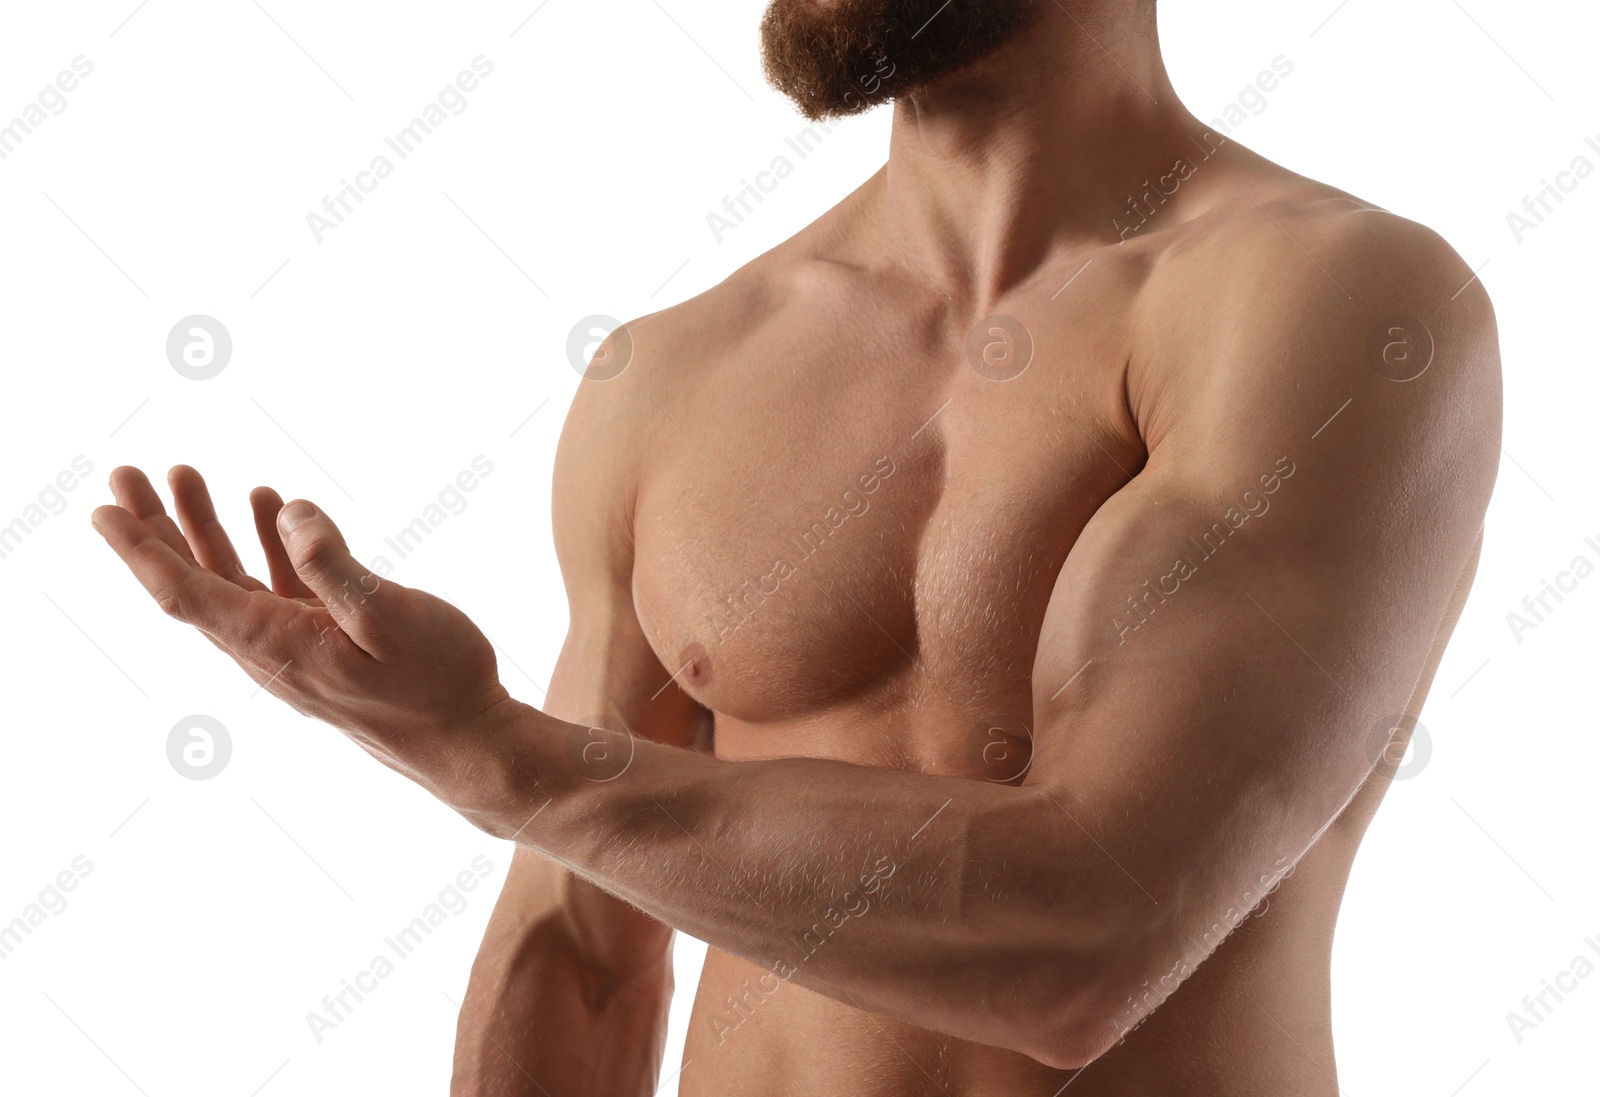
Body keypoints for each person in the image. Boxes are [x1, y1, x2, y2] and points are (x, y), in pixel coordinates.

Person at [92, 0, 1502, 1092]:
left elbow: (1091, 930)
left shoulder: (1334, 305)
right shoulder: (675, 374)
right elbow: (582, 949)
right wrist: (510, 774)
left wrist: (498, 755)